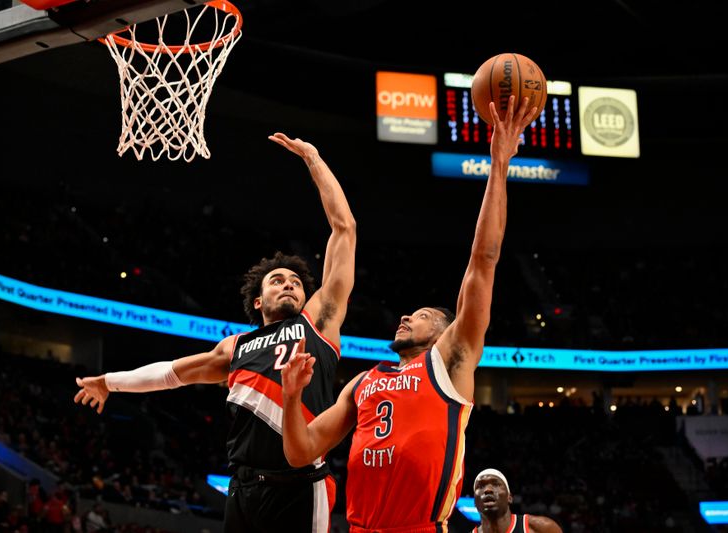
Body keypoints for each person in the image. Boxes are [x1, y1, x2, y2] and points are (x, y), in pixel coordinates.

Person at [73, 132, 356, 533]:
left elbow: (344, 229)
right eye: (277, 280)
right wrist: (109, 382)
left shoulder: (319, 321)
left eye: (296, 281)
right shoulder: (235, 347)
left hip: (300, 485)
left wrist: (313, 158)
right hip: (241, 489)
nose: (289, 284)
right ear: (257, 301)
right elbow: (172, 373)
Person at [281, 96, 540, 532]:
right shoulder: (366, 381)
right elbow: (300, 450)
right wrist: (291, 398)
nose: (405, 317)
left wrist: (499, 165)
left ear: (443, 331)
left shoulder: (450, 361)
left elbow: (484, 258)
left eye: (420, 315)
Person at [471, 469, 562, 533]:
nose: (488, 490)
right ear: (475, 502)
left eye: (496, 484)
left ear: (509, 497)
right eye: (481, 486)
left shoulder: (543, 528)